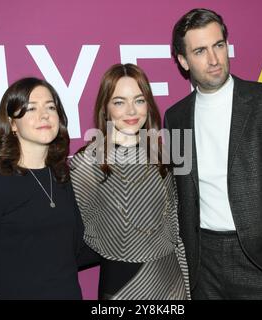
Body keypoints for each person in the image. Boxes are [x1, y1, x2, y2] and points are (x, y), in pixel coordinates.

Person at [164, 8, 262, 299]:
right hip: (203, 263)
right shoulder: (176, 117)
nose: (213, 59)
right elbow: (181, 189)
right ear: (183, 61)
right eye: (200, 51)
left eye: (218, 45)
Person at [70, 63, 190, 300]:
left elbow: (175, 223)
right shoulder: (87, 163)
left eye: (139, 100)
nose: (131, 111)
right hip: (122, 284)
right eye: (119, 102)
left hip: (170, 280)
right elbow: (78, 234)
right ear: (106, 108)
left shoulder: (162, 155)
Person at [0, 77, 93, 299]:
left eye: (50, 107)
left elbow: (77, 252)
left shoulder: (66, 178)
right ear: (12, 124)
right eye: (31, 108)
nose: (44, 115)